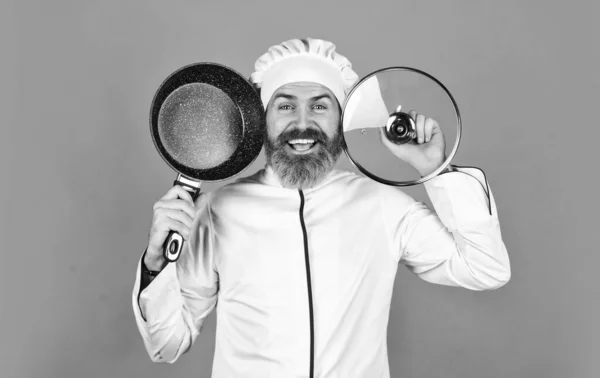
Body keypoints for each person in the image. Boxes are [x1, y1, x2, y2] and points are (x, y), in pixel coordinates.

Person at [131, 38, 511, 378]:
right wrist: (154, 264)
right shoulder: (218, 211)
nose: (302, 124)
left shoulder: (382, 205)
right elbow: (166, 346)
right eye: (285, 106)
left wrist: (435, 170)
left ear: (341, 119)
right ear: (263, 120)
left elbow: (486, 269)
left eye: (319, 106)